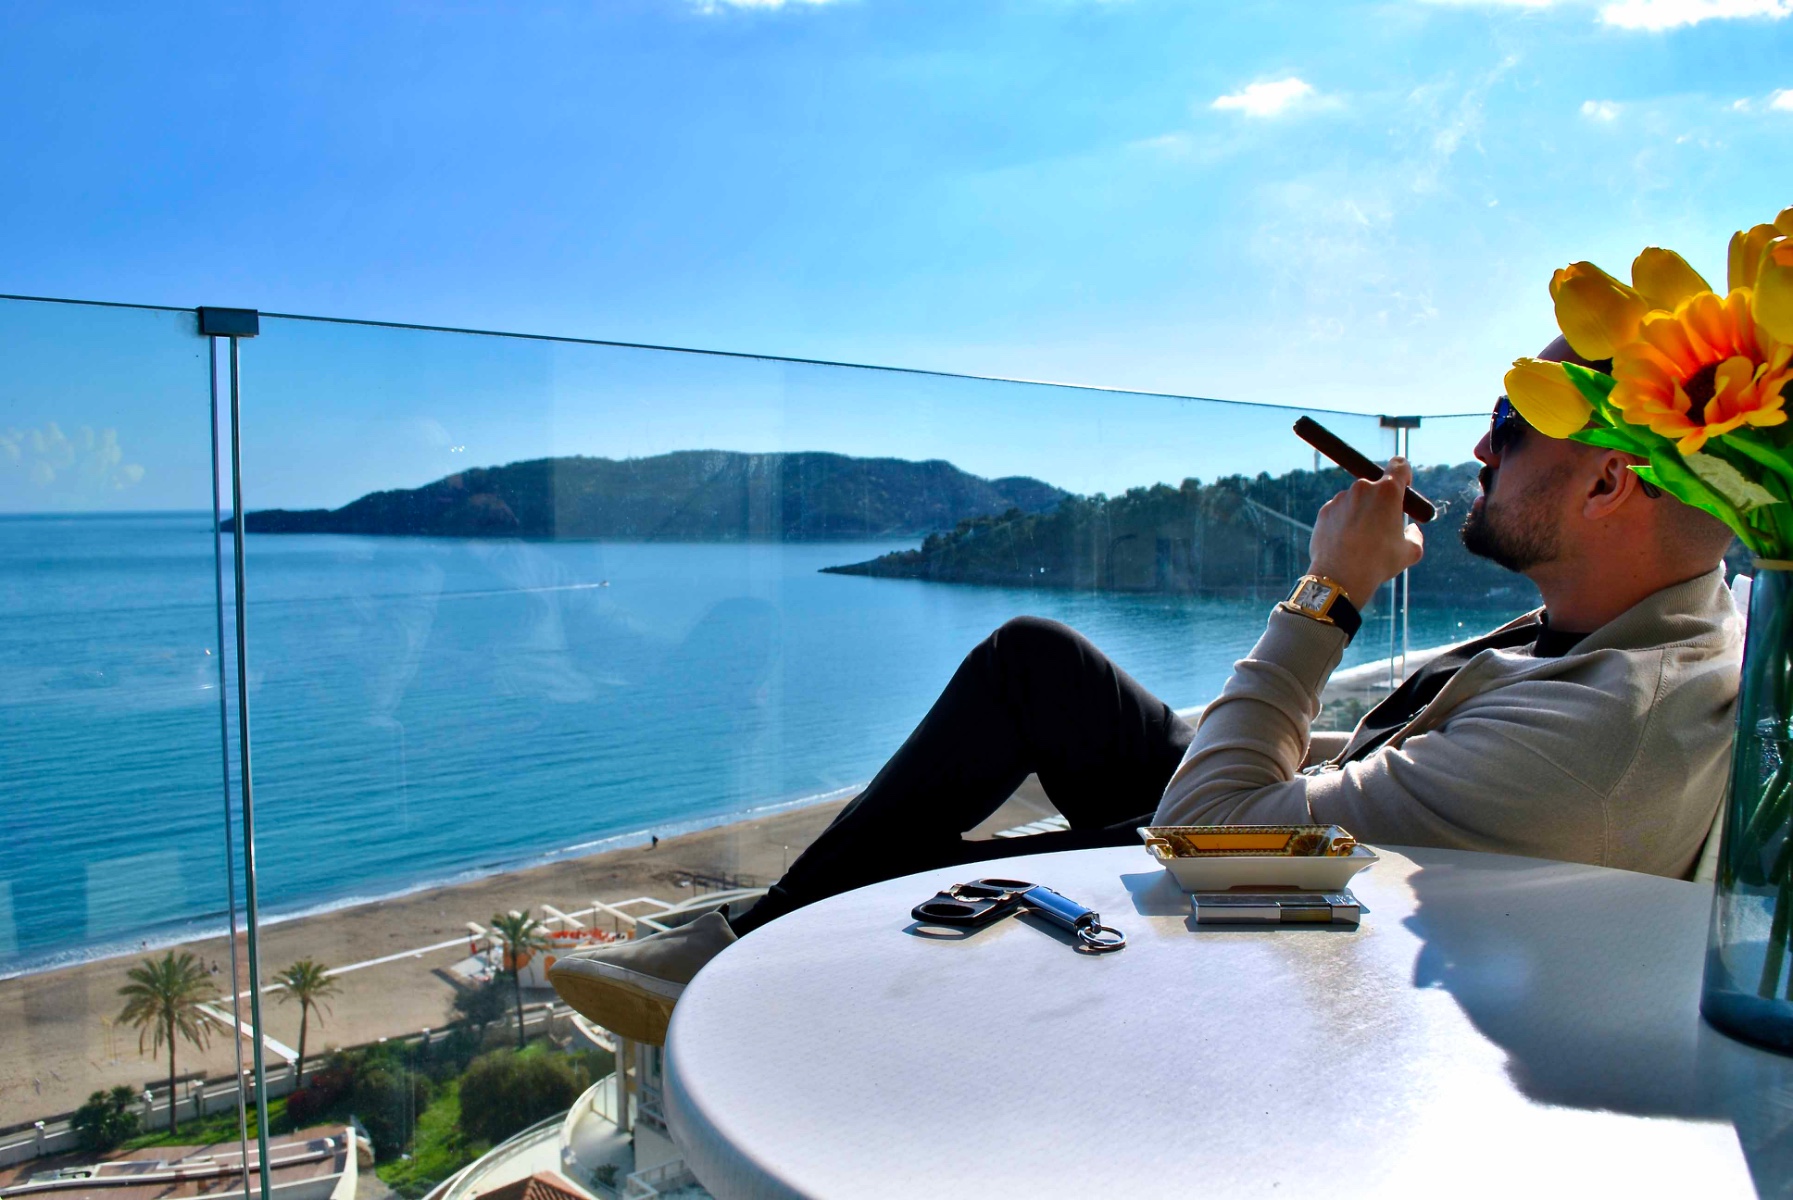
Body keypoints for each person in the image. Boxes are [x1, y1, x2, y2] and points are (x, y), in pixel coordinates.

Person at [549, 336, 1744, 1045]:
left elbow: (1206, 828)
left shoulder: (1602, 726)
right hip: (1317, 840)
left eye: (1507, 428)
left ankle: (747, 974)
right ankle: (742, 941)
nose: (1476, 451)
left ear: (1608, 486)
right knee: (1034, 660)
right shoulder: (1642, 620)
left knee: (933, 871)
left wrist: (1329, 591)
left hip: (1278, 915)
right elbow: (1395, 768)